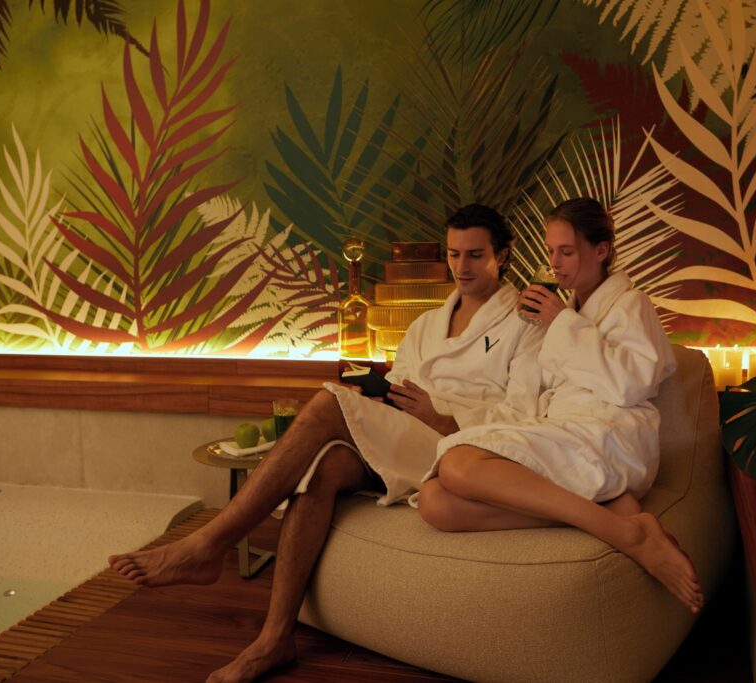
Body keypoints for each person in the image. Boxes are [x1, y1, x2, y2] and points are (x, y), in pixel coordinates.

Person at [109, 204, 544, 683]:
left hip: (457, 447)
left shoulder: (526, 324)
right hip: (404, 435)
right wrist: (382, 399)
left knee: (324, 403)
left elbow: (527, 413)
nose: (461, 266)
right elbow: (399, 380)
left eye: (475, 255)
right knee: (323, 467)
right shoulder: (426, 324)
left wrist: (444, 417)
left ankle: (210, 543)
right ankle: (274, 638)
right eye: (454, 254)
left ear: (503, 255)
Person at [416, 197, 704, 613]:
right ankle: (611, 511)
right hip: (565, 433)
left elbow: (631, 385)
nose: (554, 263)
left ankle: (629, 535)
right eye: (550, 251)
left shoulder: (631, 305)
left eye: (566, 252)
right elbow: (537, 393)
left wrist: (562, 323)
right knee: (434, 503)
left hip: (611, 437)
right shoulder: (567, 311)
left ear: (601, 250)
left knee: (457, 462)